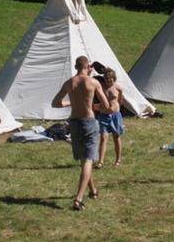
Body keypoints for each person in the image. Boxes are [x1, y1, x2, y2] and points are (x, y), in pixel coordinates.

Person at [52, 55, 109, 211]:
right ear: (87, 66)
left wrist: (72, 102)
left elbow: (55, 103)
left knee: (84, 160)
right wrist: (95, 106)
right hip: (89, 122)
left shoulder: (69, 83)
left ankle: (93, 190)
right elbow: (106, 105)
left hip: (74, 123)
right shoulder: (93, 82)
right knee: (88, 160)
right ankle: (78, 199)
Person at [94, 68, 125, 168]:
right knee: (103, 137)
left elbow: (120, 100)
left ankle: (118, 160)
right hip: (103, 115)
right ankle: (101, 161)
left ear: (114, 78)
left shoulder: (118, 88)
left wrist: (116, 108)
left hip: (115, 116)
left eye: (111, 79)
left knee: (116, 137)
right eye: (107, 79)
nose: (109, 81)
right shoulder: (101, 87)